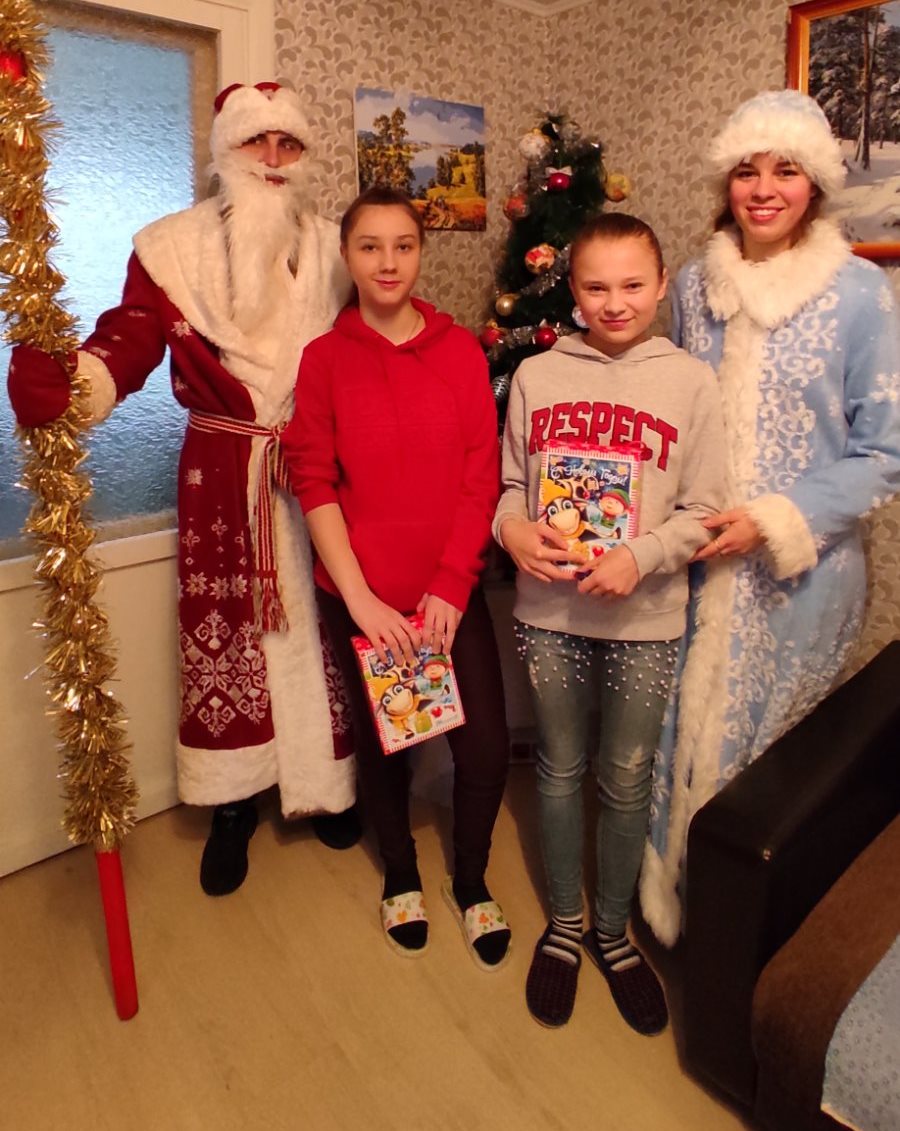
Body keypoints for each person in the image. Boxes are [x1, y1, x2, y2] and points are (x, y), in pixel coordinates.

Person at [7, 82, 362, 896]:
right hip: (223, 469)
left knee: (322, 618)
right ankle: (234, 798)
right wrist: (78, 380)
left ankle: (327, 779)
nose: (272, 159)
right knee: (227, 627)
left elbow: (365, 343)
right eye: (256, 142)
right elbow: (133, 333)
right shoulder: (169, 247)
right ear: (225, 151)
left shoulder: (336, 248)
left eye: (289, 144)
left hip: (311, 468)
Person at [640, 90, 900, 948]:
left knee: (770, 763)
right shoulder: (694, 283)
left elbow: (885, 451)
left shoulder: (859, 293)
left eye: (785, 170)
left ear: (814, 183)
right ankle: (667, 901)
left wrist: (776, 520)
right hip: (700, 561)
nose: (763, 189)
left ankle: (739, 940)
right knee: (679, 733)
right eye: (747, 170)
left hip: (801, 576)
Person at [494, 212, 727, 1032]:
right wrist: (512, 530)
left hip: (646, 616)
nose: (615, 302)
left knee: (625, 776)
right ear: (572, 290)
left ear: (662, 286)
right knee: (558, 766)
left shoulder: (690, 383)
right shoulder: (537, 374)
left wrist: (644, 555)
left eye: (633, 284)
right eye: (596, 286)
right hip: (550, 611)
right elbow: (511, 487)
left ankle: (613, 930)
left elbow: (705, 510)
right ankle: (565, 922)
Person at [281, 185, 512, 968]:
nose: (388, 262)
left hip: (448, 594)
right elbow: (314, 480)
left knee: (484, 750)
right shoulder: (324, 360)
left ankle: (471, 879)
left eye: (403, 245)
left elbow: (480, 474)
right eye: (370, 246)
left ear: (421, 252)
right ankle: (401, 873)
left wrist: (451, 583)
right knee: (388, 747)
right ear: (346, 256)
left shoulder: (460, 352)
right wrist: (360, 599)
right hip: (364, 599)